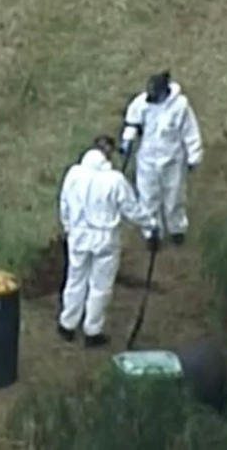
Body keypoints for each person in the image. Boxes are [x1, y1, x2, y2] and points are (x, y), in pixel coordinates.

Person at [58, 135, 157, 347]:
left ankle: (67, 323)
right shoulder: (115, 180)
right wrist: (151, 225)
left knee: (75, 279)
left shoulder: (73, 174)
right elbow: (132, 209)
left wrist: (68, 227)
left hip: (79, 234)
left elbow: (64, 203)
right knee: (100, 285)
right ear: (108, 153)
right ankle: (92, 329)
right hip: (105, 237)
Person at [120, 71, 203, 246]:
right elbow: (132, 122)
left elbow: (190, 131)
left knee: (174, 195)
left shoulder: (180, 106)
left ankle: (177, 228)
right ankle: (152, 231)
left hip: (172, 159)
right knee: (148, 197)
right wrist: (128, 140)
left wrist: (194, 155)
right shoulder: (141, 103)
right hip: (147, 159)